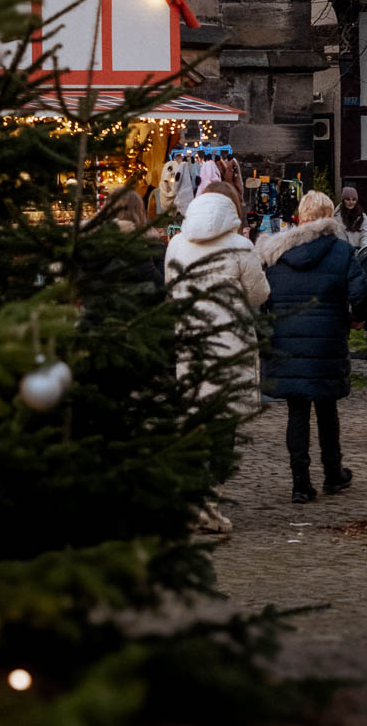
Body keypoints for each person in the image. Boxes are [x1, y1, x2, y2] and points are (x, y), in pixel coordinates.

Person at [164, 190, 270, 533]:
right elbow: (259, 294)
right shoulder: (240, 246)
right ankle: (209, 505)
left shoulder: (177, 244)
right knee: (224, 433)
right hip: (229, 348)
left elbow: (171, 288)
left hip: (190, 347)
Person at [259, 189, 367, 504]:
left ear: (301, 216)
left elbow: (262, 299)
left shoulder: (276, 253)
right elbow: (360, 293)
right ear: (328, 217)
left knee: (296, 411)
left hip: (286, 340)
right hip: (327, 338)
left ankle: (300, 482)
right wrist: (358, 319)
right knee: (326, 407)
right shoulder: (341, 251)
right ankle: (333, 474)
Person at [334, 186, 367, 251]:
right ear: (343, 200)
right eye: (348, 199)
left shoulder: (362, 216)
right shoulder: (335, 217)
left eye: (354, 199)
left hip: (358, 253)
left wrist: (364, 246)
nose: (351, 202)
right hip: (341, 253)